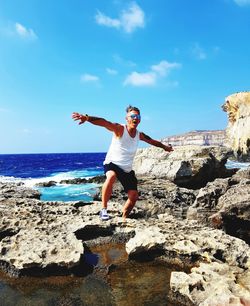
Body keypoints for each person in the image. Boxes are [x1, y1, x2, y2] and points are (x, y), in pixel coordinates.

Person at [72, 106, 173, 221]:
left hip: (127, 169)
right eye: (132, 116)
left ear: (139, 119)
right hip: (112, 163)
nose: (135, 118)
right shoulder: (120, 129)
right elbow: (104, 122)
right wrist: (87, 117)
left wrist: (165, 147)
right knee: (111, 177)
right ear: (127, 118)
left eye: (137, 116)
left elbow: (152, 141)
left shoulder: (139, 135)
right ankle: (103, 210)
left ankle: (124, 218)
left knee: (133, 196)